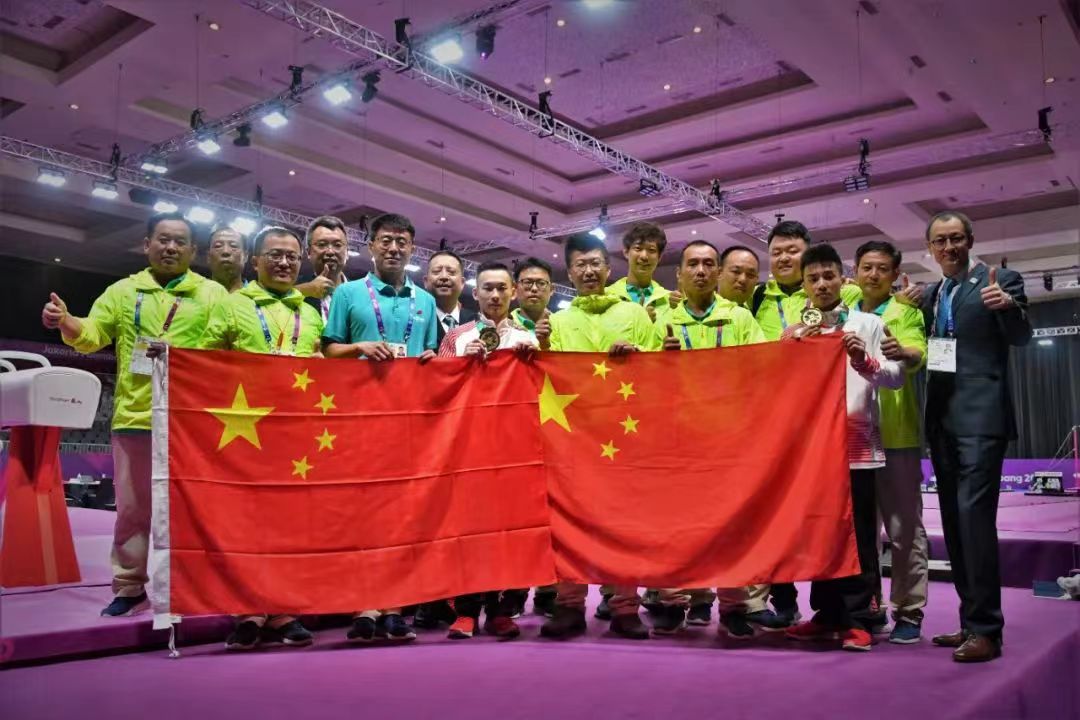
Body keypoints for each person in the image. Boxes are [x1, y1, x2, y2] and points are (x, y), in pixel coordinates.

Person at [40, 211, 228, 617]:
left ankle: (193, 587)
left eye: (180, 241)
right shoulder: (123, 292)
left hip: (192, 423)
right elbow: (92, 335)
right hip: (135, 417)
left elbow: (231, 345)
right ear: (146, 245)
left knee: (196, 510)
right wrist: (66, 322)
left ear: (193, 251)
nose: (170, 247)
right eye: (163, 239)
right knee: (132, 510)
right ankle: (129, 586)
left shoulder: (213, 295)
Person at [650, 241, 786, 639]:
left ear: (718, 272)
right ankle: (673, 602)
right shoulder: (663, 322)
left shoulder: (739, 318)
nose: (701, 270)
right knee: (677, 525)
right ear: (679, 274)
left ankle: (732, 606)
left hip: (729, 439)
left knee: (731, 526)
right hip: (680, 439)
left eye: (709, 264)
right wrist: (658, 358)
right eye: (692, 264)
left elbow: (764, 369)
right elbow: (646, 385)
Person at [199, 226, 323, 650]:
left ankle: (284, 610)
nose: (284, 262)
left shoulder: (310, 313)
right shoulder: (233, 305)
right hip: (243, 436)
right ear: (254, 262)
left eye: (292, 256)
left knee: (290, 526)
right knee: (245, 525)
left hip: (295, 435)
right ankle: (248, 610)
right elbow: (204, 361)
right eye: (274, 255)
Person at [781, 243, 904, 652]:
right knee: (821, 533)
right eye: (813, 278)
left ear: (842, 278)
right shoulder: (796, 332)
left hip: (857, 448)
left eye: (828, 276)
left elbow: (896, 377)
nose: (821, 284)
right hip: (814, 453)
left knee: (860, 534)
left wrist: (864, 362)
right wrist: (791, 351)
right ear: (803, 285)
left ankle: (862, 616)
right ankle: (827, 614)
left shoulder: (869, 324)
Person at [920, 211, 1031, 662]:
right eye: (940, 241)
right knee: (954, 523)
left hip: (982, 420)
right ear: (930, 249)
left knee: (975, 520)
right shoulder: (934, 294)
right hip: (942, 421)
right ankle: (970, 623)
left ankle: (987, 630)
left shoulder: (1000, 279)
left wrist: (1008, 306)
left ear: (969, 240)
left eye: (956, 238)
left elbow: (1021, 336)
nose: (949, 247)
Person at [322, 212, 437, 643]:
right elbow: (328, 351)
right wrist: (359, 347)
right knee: (362, 517)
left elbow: (431, 359)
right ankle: (364, 606)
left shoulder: (425, 301)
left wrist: (431, 360)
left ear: (412, 249)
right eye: (386, 240)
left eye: (401, 241)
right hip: (358, 421)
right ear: (370, 246)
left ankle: (395, 608)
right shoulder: (348, 293)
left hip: (409, 425)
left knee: (403, 518)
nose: (393, 248)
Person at [537, 232, 656, 641]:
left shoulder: (636, 315)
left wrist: (638, 354)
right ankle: (569, 605)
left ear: (608, 268)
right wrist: (542, 344)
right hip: (573, 441)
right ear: (569, 272)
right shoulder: (557, 322)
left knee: (626, 524)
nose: (588, 271)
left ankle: (625, 608)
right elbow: (547, 378)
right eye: (580, 265)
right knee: (570, 523)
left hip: (625, 435)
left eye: (595, 263)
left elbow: (660, 368)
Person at [749, 220, 862, 625]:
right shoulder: (756, 297)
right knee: (775, 512)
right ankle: (783, 601)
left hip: (827, 419)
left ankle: (838, 609)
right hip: (774, 421)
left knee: (825, 513)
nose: (784, 258)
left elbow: (873, 307)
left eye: (792, 250)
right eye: (777, 251)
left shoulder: (842, 292)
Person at [436, 261, 538, 640]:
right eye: (487, 288)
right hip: (467, 449)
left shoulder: (528, 339)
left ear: (514, 292)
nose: (495, 295)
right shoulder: (457, 337)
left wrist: (531, 363)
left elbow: (542, 393)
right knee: (468, 530)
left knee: (510, 532)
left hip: (514, 451)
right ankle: (465, 611)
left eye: (501, 288)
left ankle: (502, 610)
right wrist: (460, 365)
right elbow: (437, 388)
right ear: (474, 293)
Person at [852, 240, 929, 645]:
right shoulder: (845, 310)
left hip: (896, 434)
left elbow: (920, 353)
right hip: (854, 439)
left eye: (882, 268)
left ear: (895, 274)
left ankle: (909, 610)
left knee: (904, 530)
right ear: (855, 272)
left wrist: (905, 351)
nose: (874, 275)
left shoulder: (905, 312)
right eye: (867, 267)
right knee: (862, 533)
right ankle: (869, 606)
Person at [510, 257, 558, 618]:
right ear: (515, 289)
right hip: (511, 433)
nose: (534, 289)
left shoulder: (563, 326)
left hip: (555, 433)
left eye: (541, 283)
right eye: (527, 282)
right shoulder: (501, 328)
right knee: (518, 515)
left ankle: (548, 590)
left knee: (553, 516)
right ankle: (515, 589)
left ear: (552, 290)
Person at [607, 222, 677, 321]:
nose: (644, 256)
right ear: (626, 252)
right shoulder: (607, 296)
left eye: (651, 250)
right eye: (638, 248)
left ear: (659, 257)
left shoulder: (670, 300)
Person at [296, 215, 350, 321]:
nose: (330, 251)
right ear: (308, 252)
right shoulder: (296, 290)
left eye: (337, 245)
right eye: (322, 245)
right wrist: (306, 289)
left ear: (347, 252)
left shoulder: (363, 293)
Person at [426, 250, 477, 345]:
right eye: (436, 271)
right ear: (425, 281)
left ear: (462, 283)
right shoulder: (416, 319)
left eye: (451, 272)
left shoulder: (477, 322)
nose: (444, 276)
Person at [206, 226, 248, 293]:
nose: (225, 251)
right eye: (218, 246)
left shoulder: (259, 297)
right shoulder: (193, 294)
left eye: (233, 246)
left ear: (245, 256)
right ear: (208, 256)